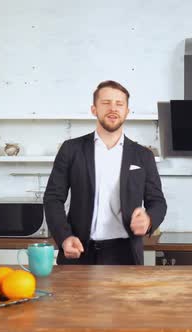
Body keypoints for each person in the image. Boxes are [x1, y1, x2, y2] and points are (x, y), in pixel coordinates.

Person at [44, 80, 167, 265]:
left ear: (127, 111)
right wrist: (64, 237)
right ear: (94, 109)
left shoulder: (143, 156)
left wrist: (148, 220)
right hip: (79, 250)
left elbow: (157, 202)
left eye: (119, 104)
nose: (113, 108)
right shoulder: (71, 149)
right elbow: (53, 198)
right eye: (106, 103)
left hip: (125, 254)